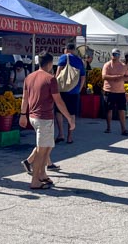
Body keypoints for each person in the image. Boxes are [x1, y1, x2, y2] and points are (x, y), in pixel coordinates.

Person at [19, 52, 75, 190]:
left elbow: (24, 98)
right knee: (42, 150)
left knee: (48, 146)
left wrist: (22, 115)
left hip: (34, 117)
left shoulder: (29, 77)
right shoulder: (51, 79)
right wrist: (69, 118)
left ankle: (42, 174)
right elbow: (58, 101)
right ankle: (35, 181)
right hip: (44, 118)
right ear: (50, 64)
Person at [55, 43, 86, 144]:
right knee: (72, 113)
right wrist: (79, 89)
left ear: (66, 49)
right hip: (74, 91)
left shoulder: (64, 57)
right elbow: (83, 78)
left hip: (62, 90)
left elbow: (58, 73)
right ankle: (70, 137)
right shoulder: (80, 61)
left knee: (59, 111)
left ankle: (61, 134)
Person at [102, 48, 128, 135]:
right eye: (114, 54)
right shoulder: (107, 65)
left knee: (122, 110)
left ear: (119, 56)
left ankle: (123, 129)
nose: (115, 56)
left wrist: (121, 78)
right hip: (109, 90)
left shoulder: (123, 66)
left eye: (117, 55)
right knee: (109, 109)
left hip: (120, 91)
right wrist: (116, 77)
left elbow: (127, 77)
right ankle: (108, 128)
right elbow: (104, 76)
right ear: (111, 55)